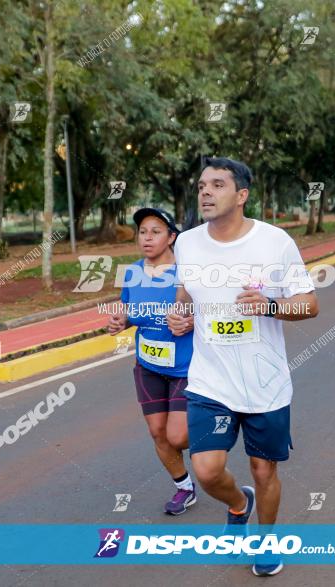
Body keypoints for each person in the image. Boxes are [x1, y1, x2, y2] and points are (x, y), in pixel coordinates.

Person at [167, 157, 319, 577]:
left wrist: (271, 305)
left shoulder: (275, 242)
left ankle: (266, 542)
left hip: (264, 384)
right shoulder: (188, 243)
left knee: (263, 468)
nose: (206, 192)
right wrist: (179, 316)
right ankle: (239, 503)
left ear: (242, 196)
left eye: (217, 184)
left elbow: (309, 303)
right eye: (202, 185)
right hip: (210, 380)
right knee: (207, 470)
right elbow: (185, 294)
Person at [107, 207, 197, 515]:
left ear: (172, 237)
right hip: (148, 366)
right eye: (143, 231)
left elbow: (212, 310)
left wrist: (191, 323)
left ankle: (213, 434)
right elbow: (129, 310)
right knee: (158, 432)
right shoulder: (132, 271)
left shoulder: (188, 272)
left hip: (187, 367)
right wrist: (122, 321)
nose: (147, 237)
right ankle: (184, 487)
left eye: (156, 231)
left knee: (178, 435)